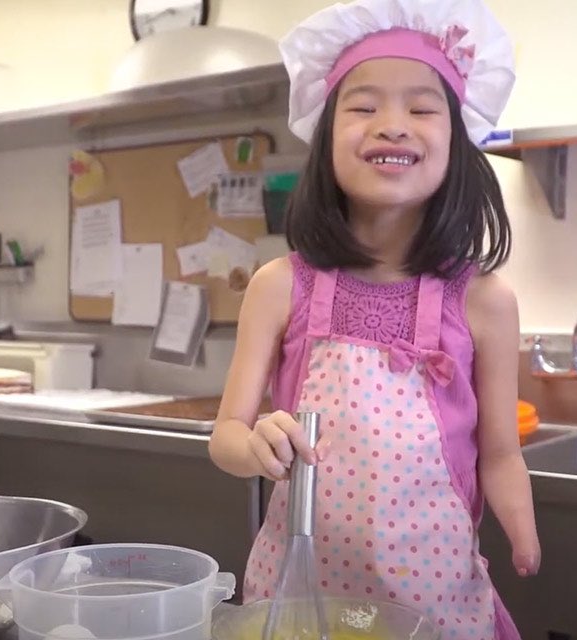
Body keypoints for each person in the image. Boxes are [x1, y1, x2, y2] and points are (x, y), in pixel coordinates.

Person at [208, 0, 540, 637]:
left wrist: (522, 538)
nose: (392, 125)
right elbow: (226, 434)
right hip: (298, 597)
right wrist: (252, 448)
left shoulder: (484, 301)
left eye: (420, 108)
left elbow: (500, 454)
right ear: (326, 137)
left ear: (458, 140)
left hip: (435, 603)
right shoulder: (279, 286)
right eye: (363, 107)